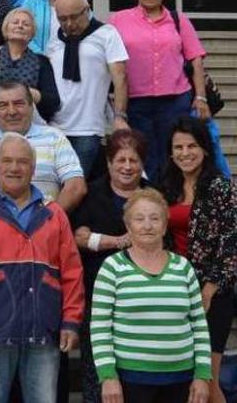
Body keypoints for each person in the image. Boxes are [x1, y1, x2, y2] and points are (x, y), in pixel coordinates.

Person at [0, 132, 84, 403]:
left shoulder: (54, 213)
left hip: (43, 328)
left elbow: (72, 271)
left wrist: (71, 320)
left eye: (22, 162)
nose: (14, 168)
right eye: (7, 161)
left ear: (33, 169)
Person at [90, 188, 212, 403]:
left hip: (181, 379)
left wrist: (202, 375)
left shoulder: (183, 267)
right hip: (130, 380)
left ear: (165, 225)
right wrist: (108, 377)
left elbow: (199, 324)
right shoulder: (112, 267)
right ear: (128, 226)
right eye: (139, 219)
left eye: (155, 218)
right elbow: (100, 327)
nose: (147, 225)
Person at [159, 116, 237, 403]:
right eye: (178, 147)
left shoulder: (220, 188)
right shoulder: (165, 187)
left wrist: (209, 289)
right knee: (184, 381)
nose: (185, 153)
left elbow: (231, 246)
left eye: (192, 146)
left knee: (208, 381)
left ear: (205, 148)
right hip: (175, 289)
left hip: (212, 294)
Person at [70, 129, 151, 403]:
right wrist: (118, 242)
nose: (127, 167)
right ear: (108, 163)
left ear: (142, 163)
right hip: (99, 298)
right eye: (121, 160)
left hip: (144, 301)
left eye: (134, 160)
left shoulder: (154, 196)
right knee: (98, 377)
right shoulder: (92, 193)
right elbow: (79, 236)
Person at [109, 0, 209, 182]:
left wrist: (200, 97)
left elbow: (196, 59)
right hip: (136, 102)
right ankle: (149, 204)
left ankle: (174, 202)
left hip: (175, 100)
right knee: (144, 156)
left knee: (174, 154)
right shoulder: (119, 20)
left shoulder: (178, 19)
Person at [0, 81, 87, 211]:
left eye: (19, 103)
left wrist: (48, 220)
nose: (11, 111)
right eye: (3, 105)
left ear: (31, 106)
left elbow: (76, 186)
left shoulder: (54, 138)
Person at [49, 0, 129, 179]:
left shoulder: (106, 34)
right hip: (55, 127)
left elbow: (121, 78)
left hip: (88, 127)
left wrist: (119, 116)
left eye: (74, 17)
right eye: (62, 19)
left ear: (87, 10)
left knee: (75, 184)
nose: (69, 24)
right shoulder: (54, 41)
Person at [0, 8, 61, 122]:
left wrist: (33, 94)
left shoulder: (42, 62)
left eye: (26, 24)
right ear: (6, 28)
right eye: (15, 22)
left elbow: (54, 102)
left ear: (32, 33)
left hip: (31, 123)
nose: (20, 26)